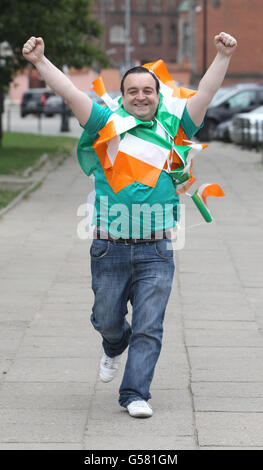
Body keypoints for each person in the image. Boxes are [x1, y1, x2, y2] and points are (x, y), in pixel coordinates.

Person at [22, 32, 237, 418]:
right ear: (122, 96)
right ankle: (111, 345)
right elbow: (72, 93)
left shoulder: (177, 127)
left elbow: (204, 93)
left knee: (149, 327)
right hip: (109, 246)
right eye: (132, 90)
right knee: (107, 319)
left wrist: (222, 56)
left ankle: (135, 393)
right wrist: (40, 62)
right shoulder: (106, 123)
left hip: (156, 248)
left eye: (147, 90)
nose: (140, 96)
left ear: (158, 94)